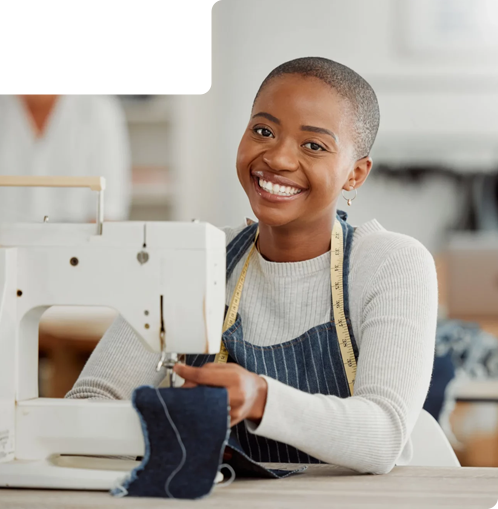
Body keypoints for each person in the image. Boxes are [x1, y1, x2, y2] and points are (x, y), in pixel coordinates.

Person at [66, 57, 438, 475]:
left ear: (355, 174)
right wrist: (164, 423)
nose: (278, 158)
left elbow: (384, 435)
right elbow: (90, 404)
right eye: (263, 131)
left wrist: (260, 398)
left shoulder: (392, 264)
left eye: (313, 145)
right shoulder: (190, 260)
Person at [0, 8, 131, 222]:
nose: (24, 81)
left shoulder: (98, 108)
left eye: (34, 69)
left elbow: (110, 207)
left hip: (79, 242)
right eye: (15, 70)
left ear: (55, 55)